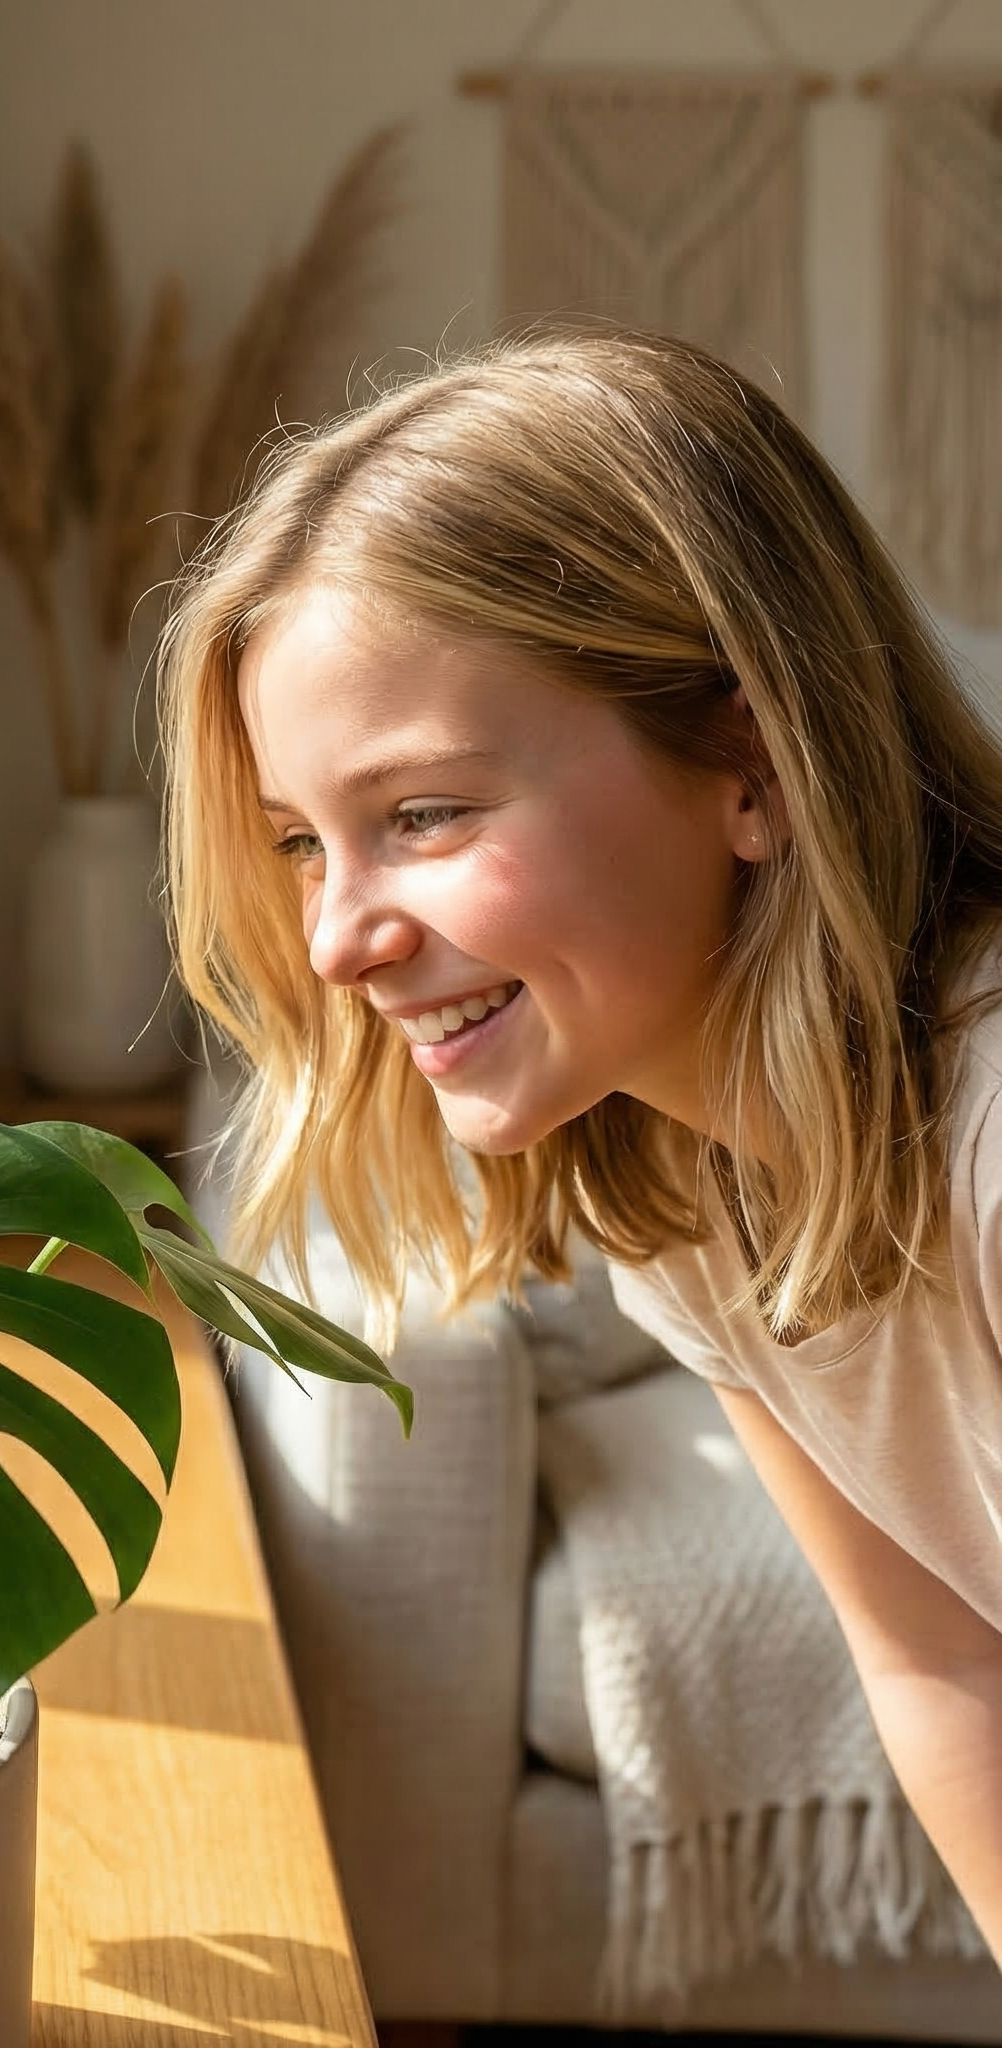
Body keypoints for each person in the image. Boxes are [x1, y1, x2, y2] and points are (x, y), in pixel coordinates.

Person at [159, 326, 1002, 1945]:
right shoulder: (686, 1197)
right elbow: (945, 1658)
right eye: (299, 844)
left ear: (752, 767)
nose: (337, 941)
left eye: (423, 815)